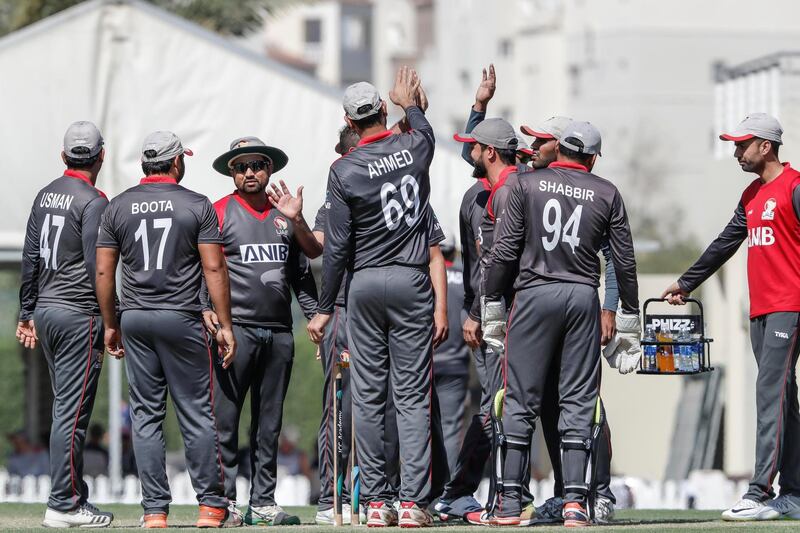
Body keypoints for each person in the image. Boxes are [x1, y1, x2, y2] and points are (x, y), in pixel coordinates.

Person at [482, 121, 640, 527]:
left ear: (560, 150)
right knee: (578, 402)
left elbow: (504, 250)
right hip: (581, 298)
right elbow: (623, 259)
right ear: (591, 158)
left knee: (519, 400)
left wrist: (493, 302)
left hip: (534, 294)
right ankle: (574, 503)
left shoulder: (525, 184)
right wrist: (629, 314)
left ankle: (510, 505)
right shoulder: (606, 192)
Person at [307, 67, 437, 528]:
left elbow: (337, 247)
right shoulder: (413, 146)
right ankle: (411, 502)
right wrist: (412, 103)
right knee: (411, 395)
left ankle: (377, 501)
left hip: (363, 284)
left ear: (347, 120)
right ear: (383, 109)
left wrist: (324, 309)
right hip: (410, 278)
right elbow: (423, 127)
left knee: (367, 394)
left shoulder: (342, 168)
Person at [662, 113, 800, 522]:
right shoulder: (751, 194)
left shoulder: (794, 187)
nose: (736, 151)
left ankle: (760, 491)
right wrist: (687, 282)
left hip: (789, 307)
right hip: (761, 310)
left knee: (768, 393)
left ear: (766, 146)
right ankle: (793, 492)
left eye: (742, 144)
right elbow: (726, 242)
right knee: (783, 401)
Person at [95, 131, 236, 529]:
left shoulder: (117, 207)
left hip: (136, 319)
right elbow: (214, 268)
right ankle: (210, 507)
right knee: (196, 414)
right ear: (176, 163)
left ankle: (154, 510)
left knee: (145, 416)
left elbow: (105, 272)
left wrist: (111, 323)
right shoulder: (196, 204)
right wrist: (225, 325)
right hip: (183, 317)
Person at [202, 135, 319, 526]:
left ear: (270, 170)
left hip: (280, 332)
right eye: (241, 166)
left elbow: (301, 275)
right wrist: (206, 311)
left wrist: (316, 317)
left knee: (269, 424)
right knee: (226, 422)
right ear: (231, 173)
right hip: (235, 334)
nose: (250, 172)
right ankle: (225, 503)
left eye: (258, 165)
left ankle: (264, 502)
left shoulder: (284, 212)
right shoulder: (217, 212)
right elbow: (203, 270)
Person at [17, 121, 113, 528]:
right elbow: (99, 269)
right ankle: (64, 504)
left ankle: (69, 498)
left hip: (47, 313)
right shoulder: (94, 200)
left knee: (63, 410)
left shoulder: (45, 194)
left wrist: (26, 313)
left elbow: (29, 257)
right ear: (101, 157)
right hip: (78, 315)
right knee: (71, 416)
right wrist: (113, 319)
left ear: (63, 157)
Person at [433, 229, 471, 475]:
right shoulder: (463, 278)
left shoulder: (427, 276)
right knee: (450, 428)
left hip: (425, 362)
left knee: (417, 426)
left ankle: (415, 491)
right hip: (455, 364)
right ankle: (446, 490)